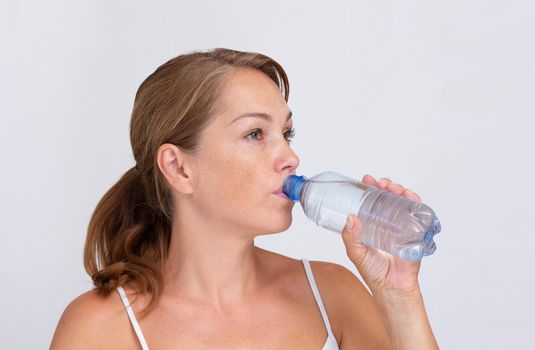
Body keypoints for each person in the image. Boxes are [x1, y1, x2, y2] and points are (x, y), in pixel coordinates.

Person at [50, 48, 439, 349]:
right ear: (179, 167)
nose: (290, 157)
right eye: (255, 134)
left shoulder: (333, 293)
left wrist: (399, 296)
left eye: (287, 133)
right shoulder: (101, 327)